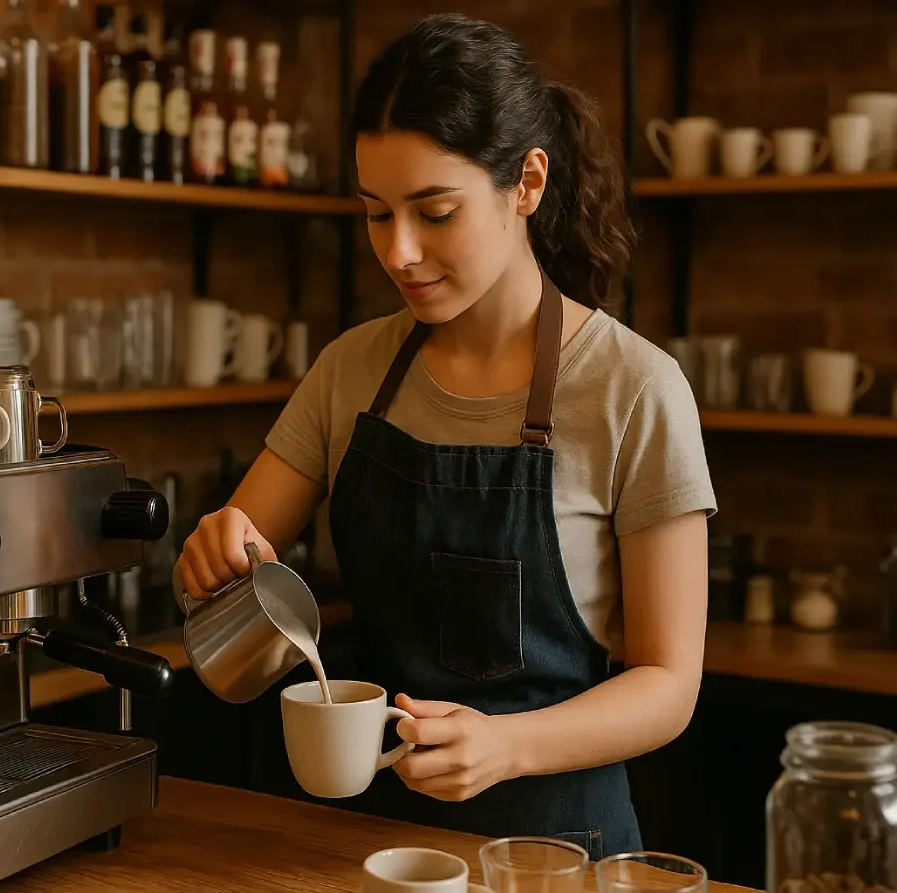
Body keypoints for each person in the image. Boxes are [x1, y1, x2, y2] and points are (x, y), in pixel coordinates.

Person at [174, 13, 714, 858]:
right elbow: (236, 569)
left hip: (556, 850)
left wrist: (507, 744)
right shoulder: (351, 368)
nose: (399, 251)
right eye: (376, 212)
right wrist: (216, 550)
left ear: (526, 182)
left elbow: (669, 684)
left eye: (434, 211)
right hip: (369, 841)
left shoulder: (633, 390)